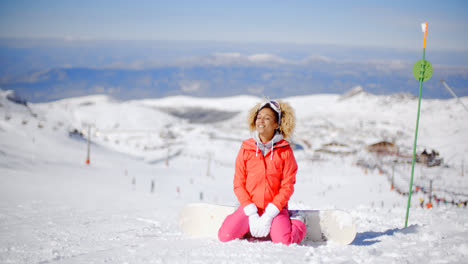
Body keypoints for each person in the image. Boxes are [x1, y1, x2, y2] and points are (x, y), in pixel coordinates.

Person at [218, 99, 306, 245]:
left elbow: (287, 186)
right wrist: (250, 211)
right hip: (250, 207)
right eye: (259, 117)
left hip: (275, 209)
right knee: (225, 236)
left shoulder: (285, 151)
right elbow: (238, 183)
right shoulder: (246, 148)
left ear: (276, 124)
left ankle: (297, 220)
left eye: (267, 118)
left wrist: (271, 213)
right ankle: (239, 218)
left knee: (284, 241)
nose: (261, 121)